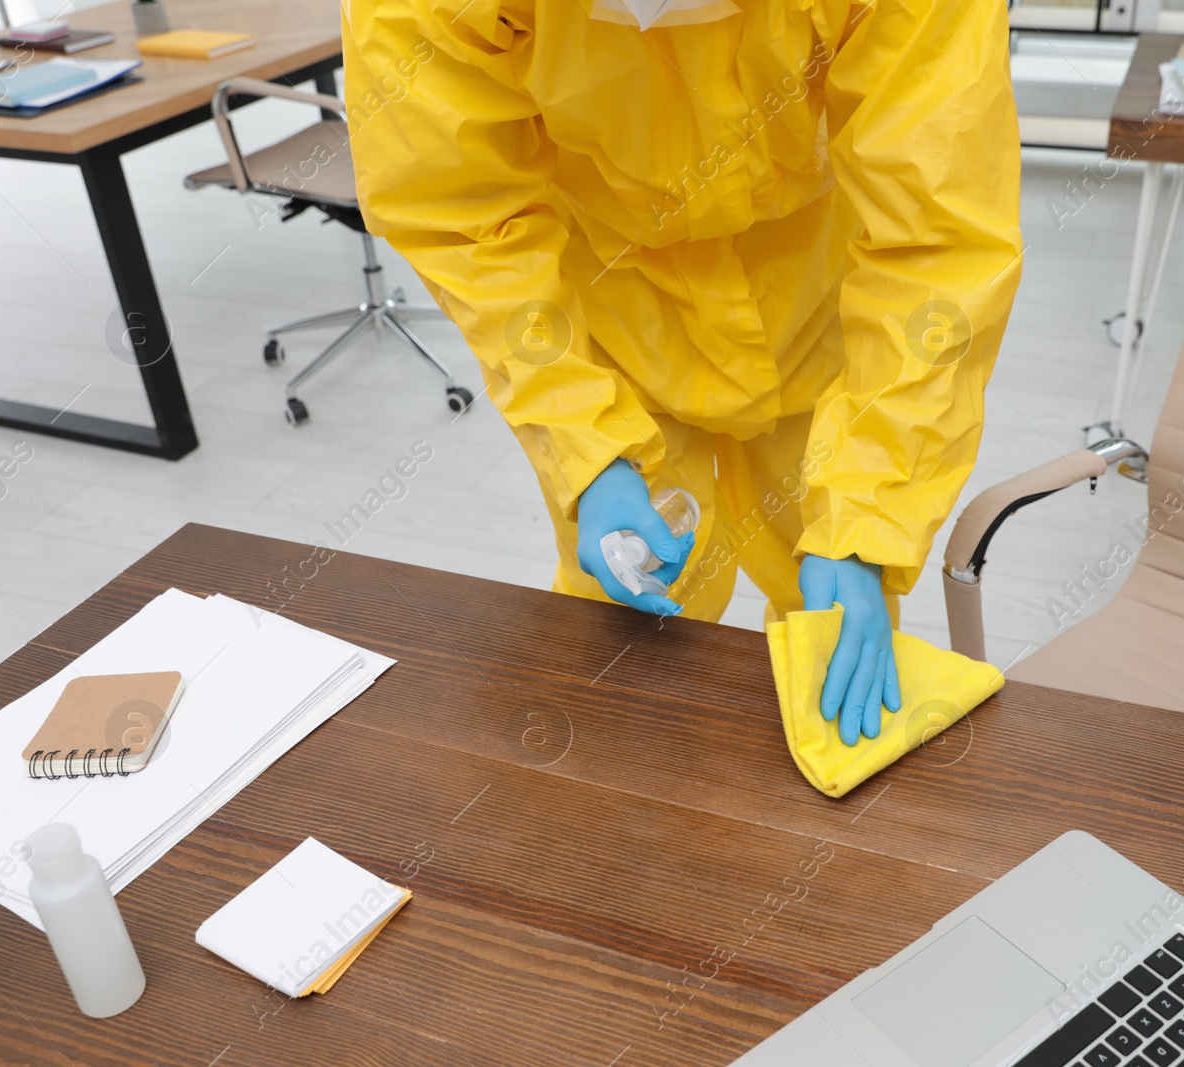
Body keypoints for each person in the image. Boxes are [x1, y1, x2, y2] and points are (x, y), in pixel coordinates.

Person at [343, 0, 1022, 746]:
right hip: (607, 311)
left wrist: (871, 511)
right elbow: (459, 212)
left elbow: (940, 243)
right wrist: (584, 445)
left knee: (833, 608)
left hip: (810, 299)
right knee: (626, 630)